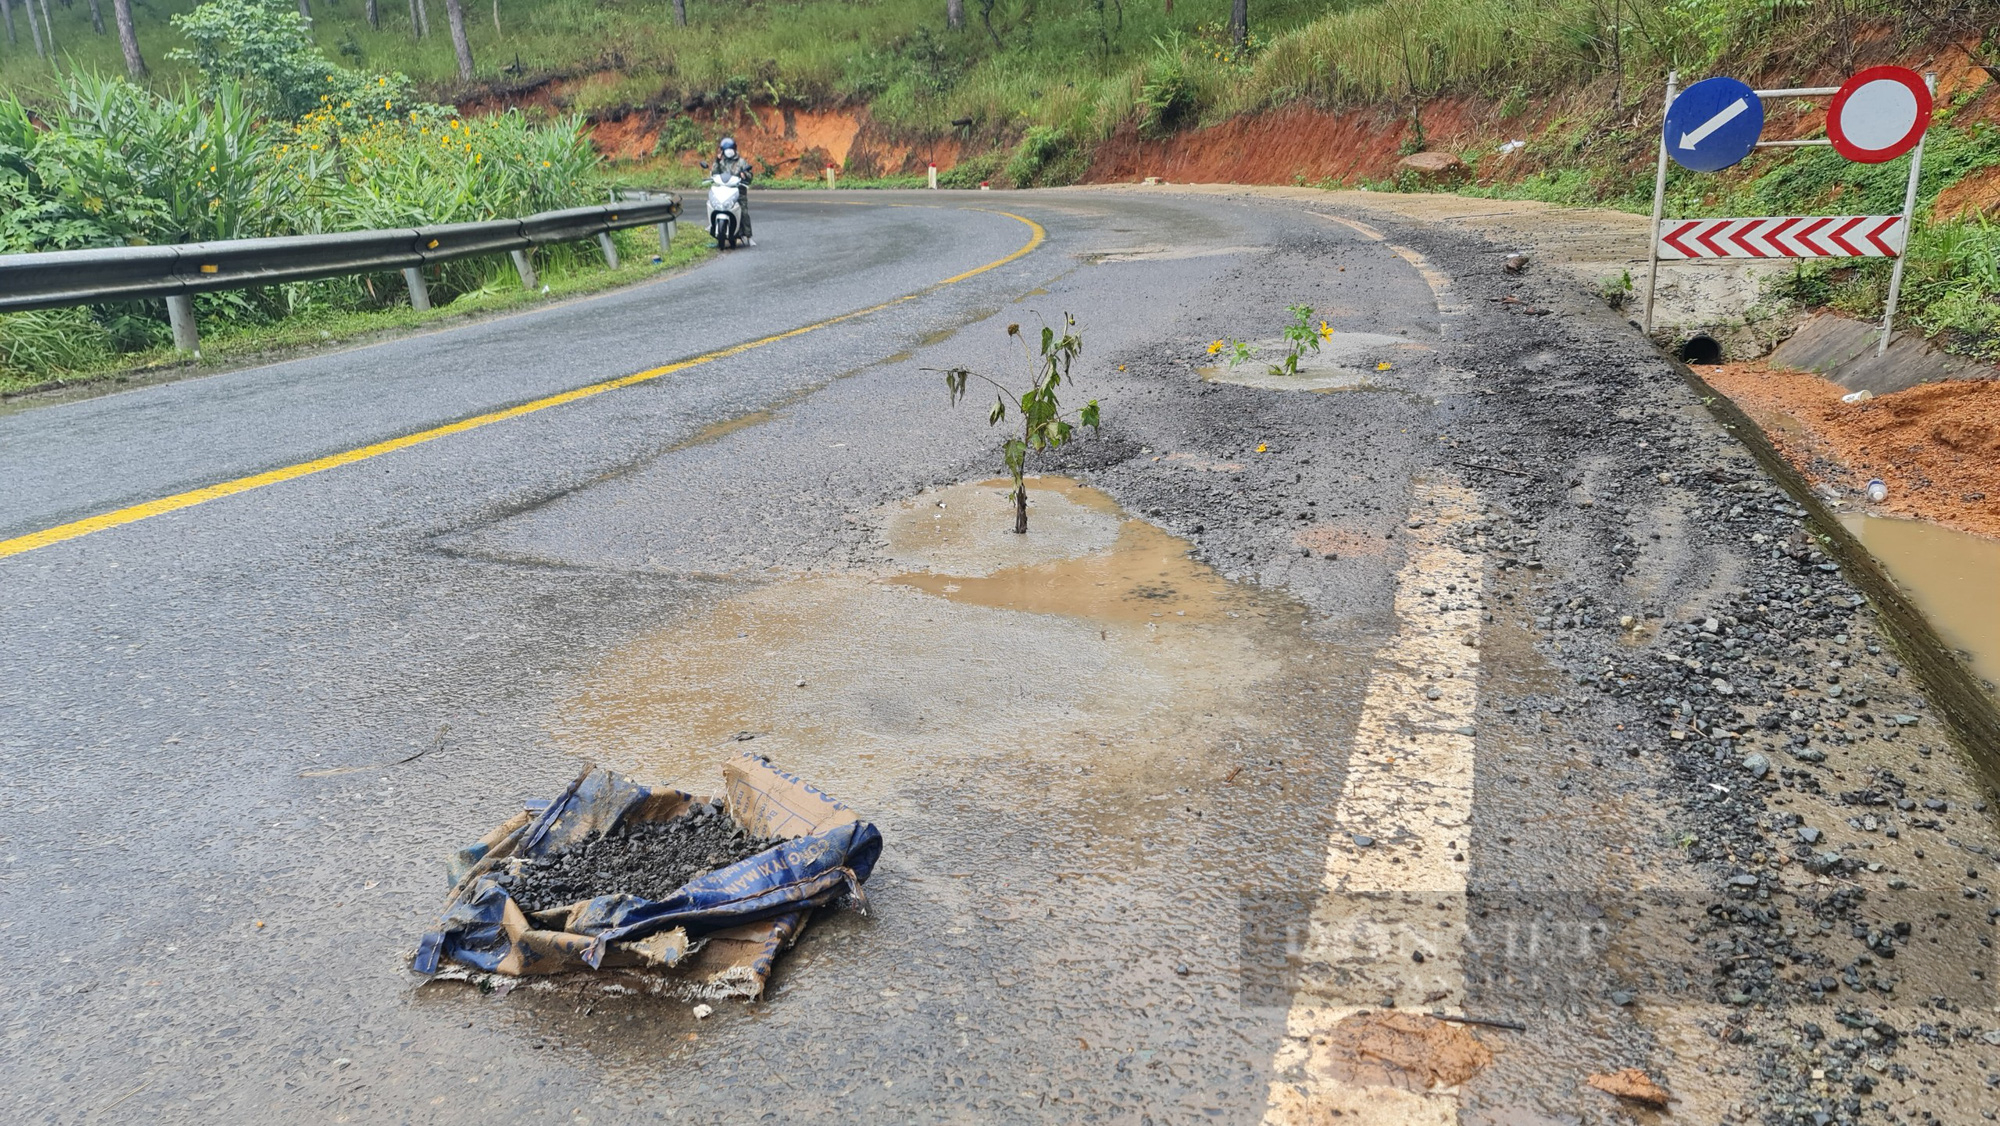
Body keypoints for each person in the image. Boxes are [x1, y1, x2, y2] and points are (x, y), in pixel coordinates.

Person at [711, 135, 754, 240]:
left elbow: (750, 177)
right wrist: (717, 161)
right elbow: (714, 174)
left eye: (730, 149)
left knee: (743, 212)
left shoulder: (741, 162)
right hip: (724, 191)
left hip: (739, 192)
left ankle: (748, 236)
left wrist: (745, 175)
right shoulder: (721, 162)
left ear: (734, 149)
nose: (729, 152)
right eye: (726, 150)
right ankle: (713, 229)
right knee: (714, 206)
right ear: (723, 151)